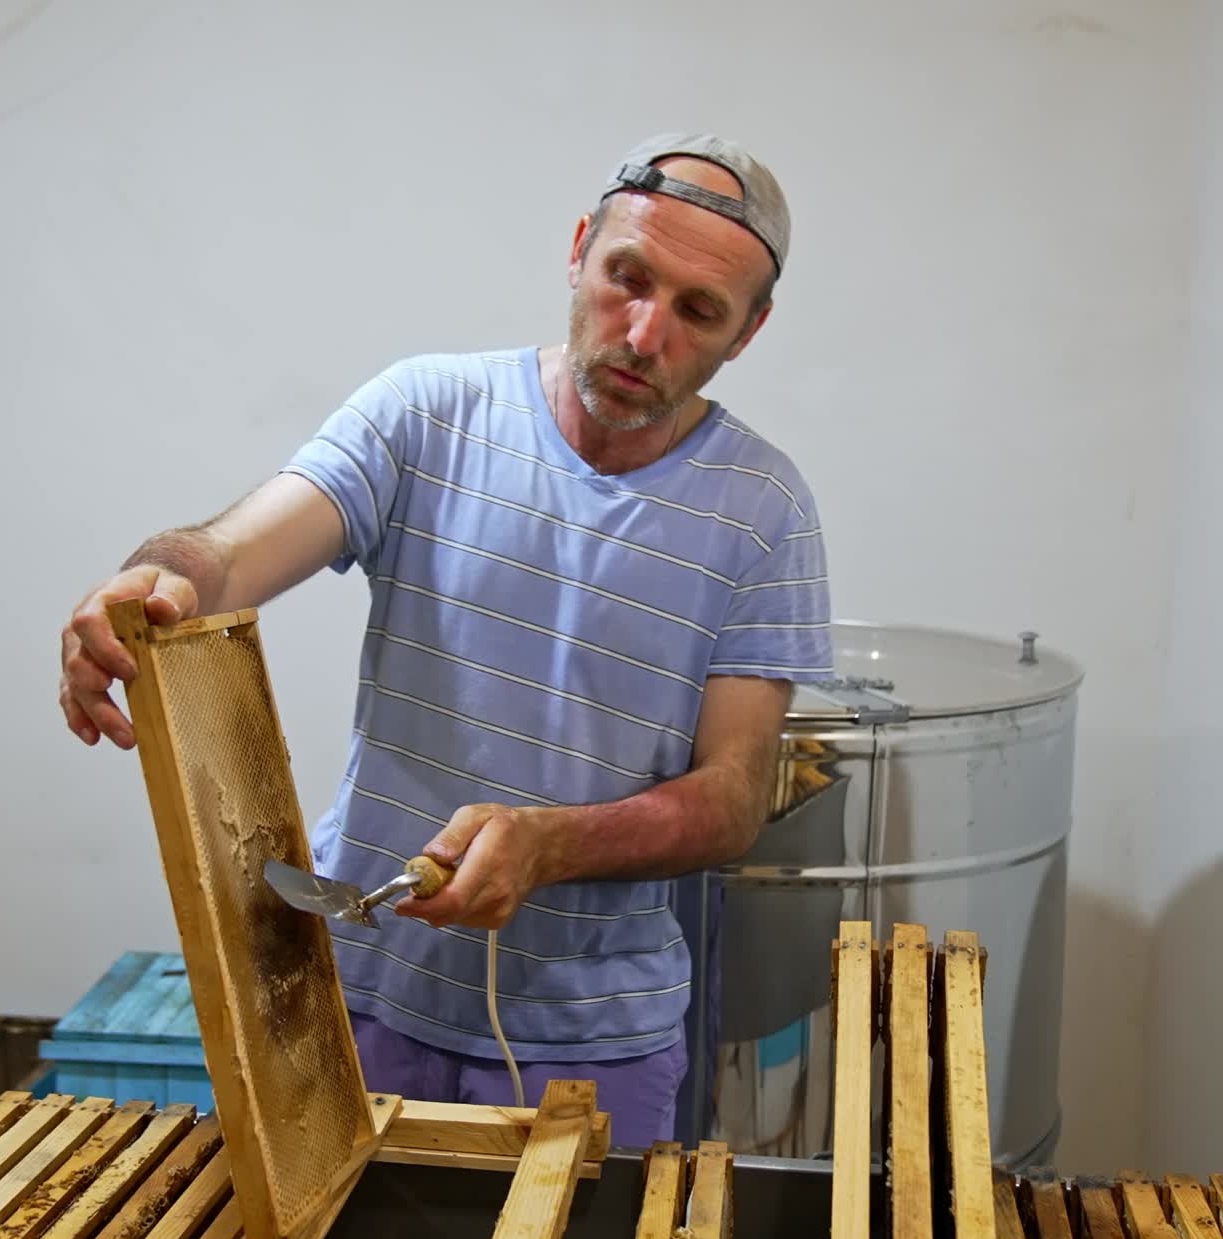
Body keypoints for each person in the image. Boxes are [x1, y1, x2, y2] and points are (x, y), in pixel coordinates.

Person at [59, 132, 833, 1147]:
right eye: (627, 277)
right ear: (578, 249)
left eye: (698, 311)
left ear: (748, 331)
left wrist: (554, 844)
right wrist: (159, 578)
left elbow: (732, 799)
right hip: (350, 995)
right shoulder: (429, 412)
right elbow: (230, 553)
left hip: (593, 1044)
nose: (643, 335)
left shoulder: (763, 510)